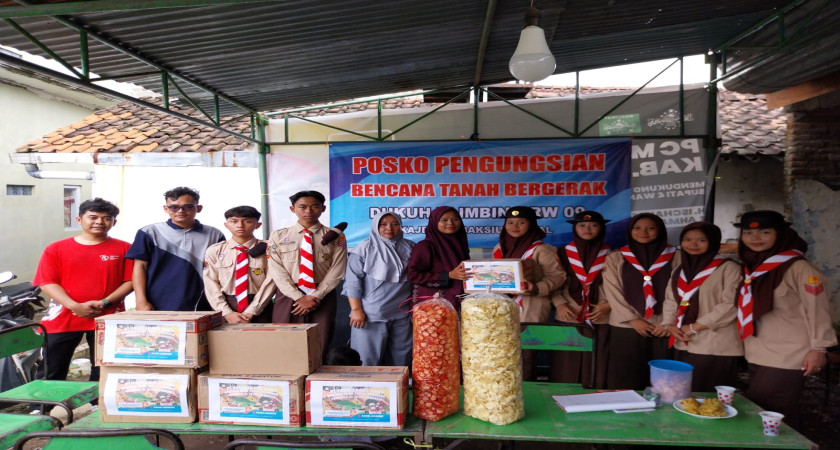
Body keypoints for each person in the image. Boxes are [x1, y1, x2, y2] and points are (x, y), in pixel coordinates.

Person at [733, 210, 836, 428]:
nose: (755, 238)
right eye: (747, 233)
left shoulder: (800, 268)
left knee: (774, 409)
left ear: (780, 234)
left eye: (765, 232)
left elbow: (818, 309)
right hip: (758, 350)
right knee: (764, 408)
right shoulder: (754, 267)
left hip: (789, 353)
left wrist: (819, 348)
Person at [33, 198, 133, 384]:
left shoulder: (125, 248)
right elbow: (47, 282)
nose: (99, 222)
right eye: (93, 217)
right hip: (63, 317)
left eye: (106, 218)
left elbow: (131, 281)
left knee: (105, 371)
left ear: (114, 222)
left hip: (108, 316)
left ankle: (97, 401)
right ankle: (44, 402)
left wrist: (105, 303)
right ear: (79, 220)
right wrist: (74, 306)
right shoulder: (56, 249)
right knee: (51, 370)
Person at [662, 222, 743, 392]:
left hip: (715, 345)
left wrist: (694, 327)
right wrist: (668, 324)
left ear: (713, 241)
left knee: (708, 396)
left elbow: (731, 304)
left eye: (701, 240)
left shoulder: (729, 268)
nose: (693, 244)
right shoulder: (680, 270)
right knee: (683, 393)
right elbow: (670, 300)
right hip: (683, 341)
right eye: (687, 239)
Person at [267, 190, 347, 361]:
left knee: (320, 340)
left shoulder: (335, 236)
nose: (308, 211)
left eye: (315, 206)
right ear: (292, 209)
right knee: (284, 338)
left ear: (323, 208)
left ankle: (315, 374)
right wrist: (298, 297)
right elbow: (276, 269)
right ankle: (287, 373)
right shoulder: (279, 236)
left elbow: (337, 269)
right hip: (289, 295)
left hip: (322, 294)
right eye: (302, 207)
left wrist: (316, 296)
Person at [602, 213, 677, 390]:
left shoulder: (676, 256)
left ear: (660, 230)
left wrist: (667, 322)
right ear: (630, 231)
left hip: (662, 326)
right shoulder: (616, 257)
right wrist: (633, 319)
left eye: (650, 228)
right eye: (637, 228)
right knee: (626, 374)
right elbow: (612, 292)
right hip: (625, 325)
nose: (643, 232)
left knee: (662, 379)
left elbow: (677, 292)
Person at [126, 187, 224, 311]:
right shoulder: (149, 232)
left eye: (188, 207)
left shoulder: (215, 234)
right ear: (165, 208)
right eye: (174, 207)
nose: (180, 211)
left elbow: (221, 271)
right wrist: (140, 300)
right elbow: (140, 267)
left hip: (203, 302)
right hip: (158, 302)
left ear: (199, 208)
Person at [342, 211, 415, 366]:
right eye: (383, 224)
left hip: (402, 313)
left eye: (395, 224)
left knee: (401, 360)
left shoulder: (410, 247)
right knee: (367, 360)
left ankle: (398, 383)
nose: (389, 228)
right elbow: (353, 282)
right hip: (371, 314)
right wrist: (356, 310)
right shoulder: (363, 249)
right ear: (375, 226)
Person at [551, 211, 612, 388]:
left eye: (594, 225)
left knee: (597, 358)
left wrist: (608, 305)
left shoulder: (612, 254)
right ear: (574, 228)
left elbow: (620, 286)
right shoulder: (562, 253)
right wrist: (559, 304)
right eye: (582, 225)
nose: (587, 229)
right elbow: (554, 281)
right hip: (569, 313)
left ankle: (594, 394)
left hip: (600, 314)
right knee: (566, 362)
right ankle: (562, 394)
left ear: (601, 228)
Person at [203, 206, 275, 324]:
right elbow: (210, 283)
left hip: (261, 305)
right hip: (227, 306)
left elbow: (271, 281)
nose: (240, 225)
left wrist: (252, 311)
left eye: (247, 221)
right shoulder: (215, 250)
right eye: (234, 221)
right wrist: (226, 312)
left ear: (258, 225)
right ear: (226, 225)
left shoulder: (269, 248)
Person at [407, 206, 471, 309]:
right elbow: (413, 275)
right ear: (435, 222)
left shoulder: (460, 245)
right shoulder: (425, 246)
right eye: (444, 220)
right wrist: (448, 275)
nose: (450, 223)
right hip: (431, 306)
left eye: (455, 219)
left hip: (457, 301)